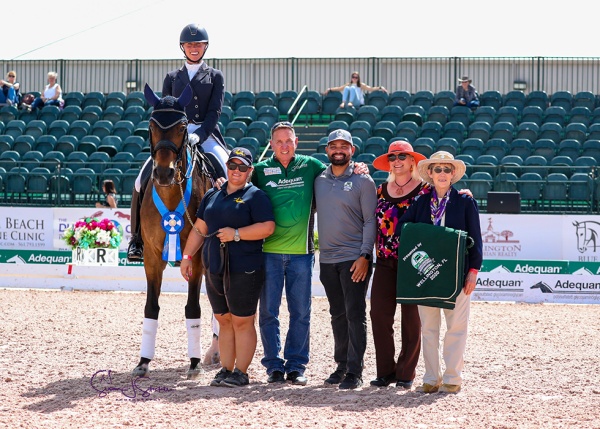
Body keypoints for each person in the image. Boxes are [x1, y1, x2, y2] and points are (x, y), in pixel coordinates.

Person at [252, 121, 369, 386]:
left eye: (289, 140)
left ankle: (296, 366)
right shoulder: (259, 171)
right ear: (271, 144)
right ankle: (273, 366)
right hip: (267, 252)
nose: (284, 145)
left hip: (301, 255)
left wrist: (359, 167)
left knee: (301, 313)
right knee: (269, 312)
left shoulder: (311, 166)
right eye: (279, 141)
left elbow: (340, 169)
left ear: (296, 143)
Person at [127, 23, 229, 262]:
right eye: (189, 44)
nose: (194, 48)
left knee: (227, 171)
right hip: (175, 137)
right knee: (140, 181)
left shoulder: (215, 76)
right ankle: (136, 240)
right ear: (183, 47)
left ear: (205, 47)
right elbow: (164, 111)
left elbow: (215, 112)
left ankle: (227, 239)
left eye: (198, 44)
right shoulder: (172, 77)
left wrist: (199, 135)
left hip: (206, 134)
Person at [179, 147, 275, 387]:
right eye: (232, 165)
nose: (236, 171)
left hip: (245, 267)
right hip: (214, 266)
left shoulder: (256, 196)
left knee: (242, 320)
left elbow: (268, 227)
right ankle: (226, 368)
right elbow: (200, 228)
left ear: (250, 171)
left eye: (242, 167)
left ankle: (241, 372)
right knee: (223, 320)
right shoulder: (212, 195)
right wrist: (188, 255)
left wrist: (237, 234)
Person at [395, 151, 483, 394]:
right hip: (427, 275)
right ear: (430, 174)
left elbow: (476, 238)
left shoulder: (465, 202)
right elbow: (403, 228)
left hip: (457, 274)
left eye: (447, 169)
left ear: (453, 174)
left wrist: (473, 270)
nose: (442, 174)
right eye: (438, 169)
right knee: (429, 329)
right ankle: (431, 377)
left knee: (456, 327)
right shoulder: (421, 202)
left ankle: (453, 377)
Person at [314, 129, 377, 389]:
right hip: (328, 260)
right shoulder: (318, 180)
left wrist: (365, 255)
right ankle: (341, 365)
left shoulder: (364, 181)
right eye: (333, 146)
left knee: (355, 314)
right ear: (327, 150)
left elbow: (371, 220)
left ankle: (355, 370)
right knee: (337, 314)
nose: (338, 150)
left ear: (352, 150)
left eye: (344, 146)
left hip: (354, 258)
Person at [368, 140, 428, 390]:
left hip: (413, 263)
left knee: (411, 319)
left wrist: (465, 193)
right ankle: (385, 371)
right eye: (393, 157)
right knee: (379, 315)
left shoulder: (426, 190)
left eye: (402, 156)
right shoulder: (379, 191)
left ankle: (406, 372)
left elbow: (448, 199)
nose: (397, 161)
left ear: (413, 161)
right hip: (384, 261)